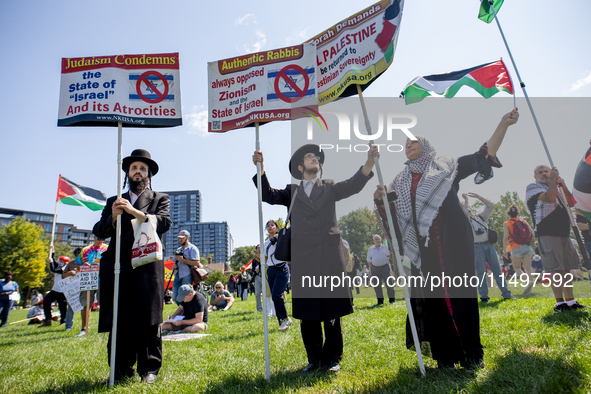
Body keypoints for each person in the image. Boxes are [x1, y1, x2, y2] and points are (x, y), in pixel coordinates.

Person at [375, 109, 519, 370]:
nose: (408, 146)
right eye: (405, 144)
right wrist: (381, 199)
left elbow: (482, 156)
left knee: (462, 294)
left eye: (414, 142)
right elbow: (393, 217)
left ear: (427, 146)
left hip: (454, 242)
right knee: (434, 300)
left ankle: (472, 353)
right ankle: (446, 356)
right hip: (424, 249)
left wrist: (503, 124)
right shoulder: (399, 180)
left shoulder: (447, 166)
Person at [253, 143, 379, 373]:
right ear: (301, 167)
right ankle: (314, 358)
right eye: (310, 157)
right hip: (303, 259)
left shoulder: (329, 186)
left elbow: (352, 185)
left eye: (317, 158)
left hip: (329, 257)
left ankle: (332, 358)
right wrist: (261, 169)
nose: (315, 159)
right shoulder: (292, 192)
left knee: (331, 309)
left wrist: (369, 161)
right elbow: (268, 195)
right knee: (307, 310)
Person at [93, 149, 171, 385]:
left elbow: (164, 223)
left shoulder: (160, 198)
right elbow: (99, 230)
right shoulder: (113, 201)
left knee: (148, 317)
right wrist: (114, 216)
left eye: (143, 169)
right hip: (118, 266)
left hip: (147, 265)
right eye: (134, 168)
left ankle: (149, 369)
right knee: (119, 318)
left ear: (148, 176)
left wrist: (134, 212)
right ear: (127, 172)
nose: (138, 172)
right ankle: (120, 369)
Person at [526, 165, 587, 312]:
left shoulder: (557, 186)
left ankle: (571, 301)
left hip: (564, 232)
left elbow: (571, 202)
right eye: (540, 172)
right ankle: (560, 304)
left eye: (546, 171)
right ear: (535, 176)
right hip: (547, 232)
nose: (544, 174)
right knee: (555, 269)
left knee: (566, 269)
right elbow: (550, 197)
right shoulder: (533, 188)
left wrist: (562, 184)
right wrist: (553, 179)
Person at [462, 192, 512, 301]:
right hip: (476, 247)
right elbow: (465, 212)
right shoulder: (464, 220)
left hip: (488, 245)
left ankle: (506, 294)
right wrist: (465, 200)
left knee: (497, 270)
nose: (467, 207)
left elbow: (491, 206)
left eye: (468, 205)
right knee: (480, 272)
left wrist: (478, 197)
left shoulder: (480, 217)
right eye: (464, 206)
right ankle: (484, 296)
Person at [264, 219, 292, 331]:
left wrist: (278, 238)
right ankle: (282, 322)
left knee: (276, 295)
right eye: (268, 225)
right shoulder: (266, 243)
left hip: (281, 268)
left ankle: (286, 318)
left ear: (276, 227)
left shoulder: (282, 237)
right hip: (270, 270)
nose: (270, 227)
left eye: (272, 225)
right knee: (274, 297)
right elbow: (266, 258)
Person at [503, 204, 536, 294]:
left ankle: (527, 282)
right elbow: (533, 234)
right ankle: (530, 290)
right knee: (528, 268)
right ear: (518, 213)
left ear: (509, 214)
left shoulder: (507, 223)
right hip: (527, 246)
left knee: (517, 267)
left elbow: (506, 237)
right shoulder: (524, 221)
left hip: (515, 247)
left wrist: (505, 250)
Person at [172, 230, 201, 306]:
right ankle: (184, 311)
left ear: (188, 237)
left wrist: (183, 260)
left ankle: (185, 313)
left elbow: (197, 263)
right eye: (179, 238)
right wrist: (174, 266)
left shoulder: (193, 249)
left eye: (182, 238)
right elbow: (174, 262)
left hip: (187, 275)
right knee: (175, 297)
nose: (180, 240)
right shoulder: (178, 250)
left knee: (185, 296)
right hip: (178, 275)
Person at [41, 251, 70, 327]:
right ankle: (48, 320)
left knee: (62, 307)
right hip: (55, 290)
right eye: (60, 261)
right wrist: (52, 251)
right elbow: (54, 260)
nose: (60, 262)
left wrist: (50, 262)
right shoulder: (59, 266)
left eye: (61, 261)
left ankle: (63, 320)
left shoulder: (65, 269)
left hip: (62, 291)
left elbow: (53, 269)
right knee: (46, 302)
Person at [366, 234, 396, 305]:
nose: (377, 240)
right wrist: (371, 269)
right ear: (373, 241)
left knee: (389, 284)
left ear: (381, 240)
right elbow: (369, 260)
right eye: (375, 239)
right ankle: (380, 301)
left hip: (385, 267)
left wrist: (391, 254)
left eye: (378, 239)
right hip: (375, 269)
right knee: (377, 286)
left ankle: (392, 300)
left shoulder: (386, 248)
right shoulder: (370, 249)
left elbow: (391, 258)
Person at [251, 245, 263, 312]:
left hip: (264, 277)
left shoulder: (264, 257)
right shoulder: (254, 260)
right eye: (258, 248)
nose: (259, 249)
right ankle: (259, 309)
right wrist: (255, 270)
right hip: (257, 277)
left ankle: (267, 307)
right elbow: (252, 269)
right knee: (257, 293)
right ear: (256, 250)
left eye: (260, 247)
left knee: (266, 293)